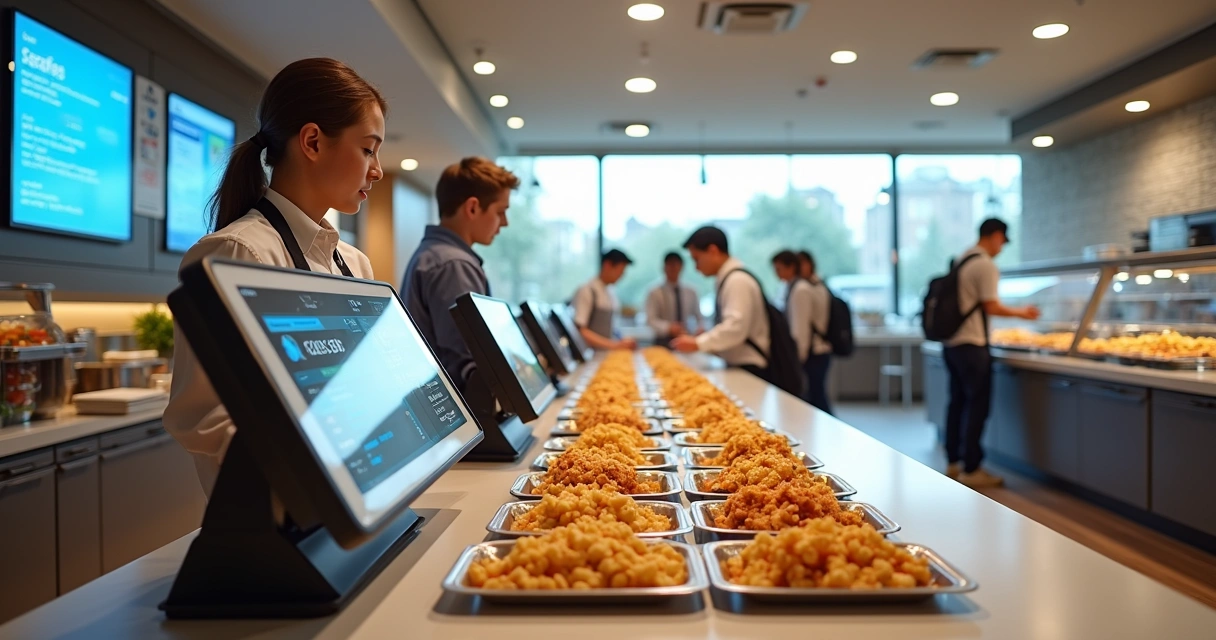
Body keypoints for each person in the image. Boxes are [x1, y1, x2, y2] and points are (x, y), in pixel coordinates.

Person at [164, 58, 386, 496]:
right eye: (368, 149)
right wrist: (308, 475)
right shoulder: (237, 253)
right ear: (312, 142)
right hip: (283, 515)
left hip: (366, 494)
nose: (377, 169)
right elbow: (205, 417)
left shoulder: (356, 264)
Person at [399, 157, 519, 388]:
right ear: (472, 207)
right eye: (501, 211)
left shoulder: (435, 255)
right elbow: (471, 364)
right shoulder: (454, 264)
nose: (504, 223)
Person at [944, 218, 1040, 488]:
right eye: (1003, 241)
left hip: (952, 345)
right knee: (977, 407)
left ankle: (953, 461)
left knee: (957, 404)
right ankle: (972, 467)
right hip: (973, 345)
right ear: (996, 236)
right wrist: (1023, 313)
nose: (1002, 248)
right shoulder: (985, 264)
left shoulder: (962, 258)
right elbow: (991, 306)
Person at [671, 226, 770, 380]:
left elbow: (735, 328)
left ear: (713, 251)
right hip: (739, 365)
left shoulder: (737, 281)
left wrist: (699, 343)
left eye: (697, 259)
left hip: (749, 367)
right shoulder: (729, 279)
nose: (696, 267)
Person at [773, 250, 833, 414]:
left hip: (811, 353)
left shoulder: (801, 289)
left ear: (791, 267)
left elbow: (801, 328)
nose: (778, 276)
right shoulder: (805, 286)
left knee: (816, 400)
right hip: (814, 351)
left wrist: (796, 359)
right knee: (816, 397)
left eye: (779, 270)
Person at [571, 249, 637, 350]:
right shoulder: (588, 290)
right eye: (620, 271)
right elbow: (580, 330)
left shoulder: (610, 292)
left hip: (606, 353)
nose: (622, 276)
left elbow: (611, 327)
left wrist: (621, 340)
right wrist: (614, 345)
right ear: (607, 265)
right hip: (591, 354)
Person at [644, 252, 704, 345]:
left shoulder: (691, 291)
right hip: (662, 340)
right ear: (664, 267)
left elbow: (699, 318)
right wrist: (669, 328)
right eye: (670, 265)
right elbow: (650, 320)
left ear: (681, 267)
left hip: (686, 338)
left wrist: (699, 328)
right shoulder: (654, 292)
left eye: (676, 265)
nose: (673, 269)